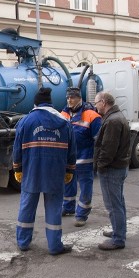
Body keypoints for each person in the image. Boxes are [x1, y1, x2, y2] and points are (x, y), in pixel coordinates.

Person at [12, 87, 76, 255]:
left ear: (35, 103)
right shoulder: (64, 122)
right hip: (55, 172)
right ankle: (55, 246)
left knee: (27, 207)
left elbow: (16, 149)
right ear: (50, 102)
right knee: (54, 209)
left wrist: (18, 169)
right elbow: (72, 151)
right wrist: (69, 170)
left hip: (32, 172)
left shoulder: (26, 121)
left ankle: (23, 243)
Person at [93, 91, 131, 250]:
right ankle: (119, 230)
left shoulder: (112, 121)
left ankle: (118, 239)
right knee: (118, 202)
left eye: (96, 103)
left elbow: (108, 149)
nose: (95, 106)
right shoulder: (116, 117)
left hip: (111, 169)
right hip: (118, 167)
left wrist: (99, 166)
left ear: (103, 102)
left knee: (113, 205)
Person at [60, 87, 102, 227]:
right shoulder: (63, 114)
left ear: (80, 98)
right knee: (68, 184)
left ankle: (82, 214)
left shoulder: (92, 116)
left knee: (85, 187)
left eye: (72, 98)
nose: (69, 100)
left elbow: (99, 141)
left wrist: (98, 161)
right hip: (68, 159)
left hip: (85, 159)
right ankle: (68, 207)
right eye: (67, 98)